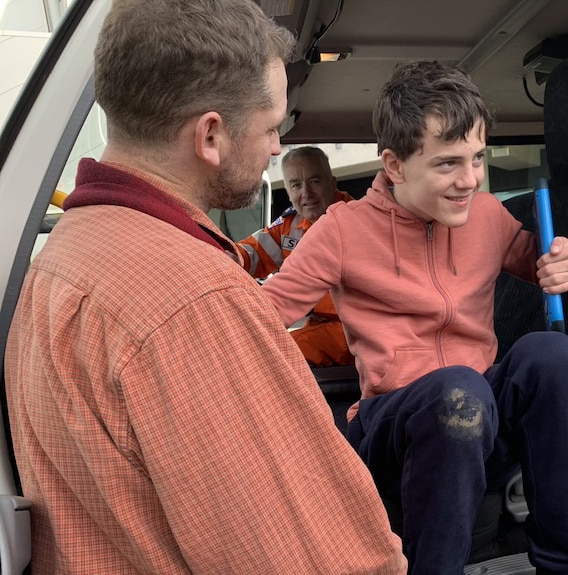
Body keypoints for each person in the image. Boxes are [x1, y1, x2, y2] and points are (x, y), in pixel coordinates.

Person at [3, 1, 406, 573]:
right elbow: (310, 560)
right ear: (211, 134)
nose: (274, 148)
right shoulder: (196, 301)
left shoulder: (64, 253)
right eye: (271, 128)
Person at [262, 60, 568, 575]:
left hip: (478, 415)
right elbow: (265, 314)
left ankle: (565, 563)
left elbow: (545, 260)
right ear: (395, 166)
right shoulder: (341, 229)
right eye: (447, 164)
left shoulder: (486, 214)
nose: (470, 180)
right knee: (458, 389)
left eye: (478, 158)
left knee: (553, 355)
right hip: (393, 426)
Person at [237, 146, 354, 366]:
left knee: (272, 355)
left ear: (333, 183)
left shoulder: (358, 219)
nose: (306, 193)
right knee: (256, 344)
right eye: (296, 185)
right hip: (318, 326)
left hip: (352, 330)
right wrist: (224, 256)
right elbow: (253, 253)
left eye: (315, 181)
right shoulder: (289, 226)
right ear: (288, 192)